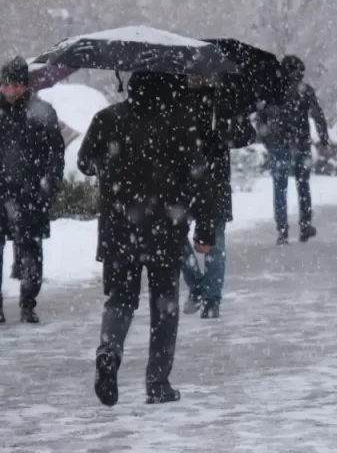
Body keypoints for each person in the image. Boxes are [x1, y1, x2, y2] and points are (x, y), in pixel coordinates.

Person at [78, 71, 217, 407]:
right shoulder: (181, 124)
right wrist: (205, 229)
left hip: (118, 229)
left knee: (120, 300)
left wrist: (110, 166)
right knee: (164, 306)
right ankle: (158, 383)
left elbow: (84, 163)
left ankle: (109, 351)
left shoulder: (107, 118)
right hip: (165, 230)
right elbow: (200, 180)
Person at [180, 76, 257, 319]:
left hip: (215, 177)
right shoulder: (175, 97)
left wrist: (229, 127)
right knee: (175, 235)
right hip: (182, 178)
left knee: (215, 239)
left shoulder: (222, 98)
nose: (194, 78)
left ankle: (212, 299)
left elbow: (246, 135)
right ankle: (196, 285)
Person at [0, 57, 64, 324]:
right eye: (6, 84)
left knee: (31, 251)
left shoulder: (42, 112)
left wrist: (48, 185)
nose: (10, 89)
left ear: (25, 85)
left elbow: (55, 153)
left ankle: (28, 302)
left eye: (16, 84)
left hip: (31, 193)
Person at [255, 55, 331, 245]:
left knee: (279, 188)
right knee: (303, 185)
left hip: (278, 145)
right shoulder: (304, 90)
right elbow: (318, 115)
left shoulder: (271, 89)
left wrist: (265, 138)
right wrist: (323, 140)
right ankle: (305, 225)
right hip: (301, 143)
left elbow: (261, 117)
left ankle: (282, 230)